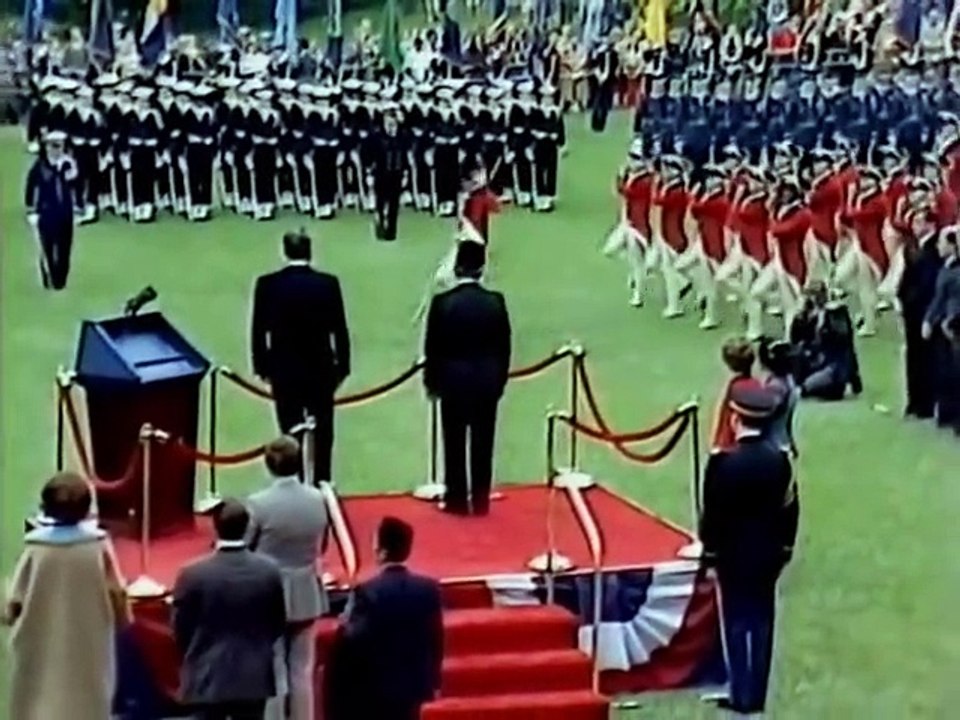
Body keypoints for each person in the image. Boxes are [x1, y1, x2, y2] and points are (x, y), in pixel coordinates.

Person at [700, 385, 799, 718]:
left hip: (732, 554)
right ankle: (756, 692)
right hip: (768, 553)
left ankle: (740, 691)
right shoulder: (779, 462)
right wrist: (785, 548)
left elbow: (711, 515)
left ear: (734, 417)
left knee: (736, 622)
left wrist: (709, 554)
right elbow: (790, 509)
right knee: (762, 621)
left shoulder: (722, 464)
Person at [3, 472, 129, 720]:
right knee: (87, 701)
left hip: (39, 645)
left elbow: (13, 604)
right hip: (89, 643)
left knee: (39, 701)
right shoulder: (98, 547)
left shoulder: (36, 549)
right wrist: (123, 621)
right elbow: (118, 594)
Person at [172, 500, 287, 720]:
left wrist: (197, 652)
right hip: (252, 677)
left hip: (207, 675)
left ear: (215, 526)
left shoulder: (192, 574)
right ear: (247, 527)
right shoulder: (269, 570)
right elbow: (277, 623)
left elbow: (180, 628)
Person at [251, 231, 351, 484]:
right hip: (321, 370)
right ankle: (322, 483)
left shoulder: (268, 284)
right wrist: (343, 368)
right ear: (310, 251)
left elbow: (258, 329)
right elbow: (339, 329)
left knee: (289, 430)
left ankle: (292, 482)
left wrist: (262, 366)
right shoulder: (327, 283)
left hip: (284, 371)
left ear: (285, 251)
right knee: (324, 433)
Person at [424, 240, 512, 515]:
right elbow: (504, 346)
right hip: (486, 381)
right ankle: (481, 498)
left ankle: (457, 499)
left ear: (457, 267)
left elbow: (432, 348)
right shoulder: (495, 302)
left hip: (453, 382)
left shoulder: (443, 303)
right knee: (483, 442)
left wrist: (432, 382)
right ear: (481, 268)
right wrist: (499, 381)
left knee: (454, 442)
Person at [246, 437, 330, 720]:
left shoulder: (259, 504)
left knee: (274, 669)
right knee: (301, 670)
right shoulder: (318, 499)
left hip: (270, 593)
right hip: (306, 590)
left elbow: (246, 546)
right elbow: (323, 542)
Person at [328, 517, 443, 720]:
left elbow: (354, 638)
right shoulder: (428, 589)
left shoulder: (368, 591)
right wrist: (433, 679)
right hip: (413, 683)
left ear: (382, 552)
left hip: (377, 686)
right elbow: (436, 639)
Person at [897, 210, 943, 419]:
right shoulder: (912, 247)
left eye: (918, 221)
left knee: (926, 358)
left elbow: (928, 282)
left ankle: (926, 403)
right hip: (911, 310)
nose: (914, 226)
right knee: (913, 356)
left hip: (923, 308)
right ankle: (914, 401)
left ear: (930, 225)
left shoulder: (934, 249)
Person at [790, 282, 863, 400]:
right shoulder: (804, 316)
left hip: (831, 365)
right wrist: (801, 318)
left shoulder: (836, 314)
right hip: (811, 362)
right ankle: (802, 385)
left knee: (829, 375)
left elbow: (844, 343)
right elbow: (795, 340)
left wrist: (854, 381)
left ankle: (804, 388)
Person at [24, 129, 77, 290]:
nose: (57, 151)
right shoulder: (40, 167)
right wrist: (31, 210)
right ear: (47, 147)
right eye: (53, 147)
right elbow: (31, 188)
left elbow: (76, 183)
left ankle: (60, 280)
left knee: (64, 248)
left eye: (60, 147)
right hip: (46, 212)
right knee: (47, 247)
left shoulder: (68, 164)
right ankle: (50, 277)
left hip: (65, 212)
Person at [922, 226, 960, 433]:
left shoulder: (954, 272)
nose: (939, 247)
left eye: (942, 243)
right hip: (947, 324)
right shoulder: (945, 269)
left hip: (953, 324)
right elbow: (938, 299)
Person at [711, 337, 763, 452]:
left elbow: (721, 418)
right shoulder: (758, 385)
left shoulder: (732, 388)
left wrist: (715, 444)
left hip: (733, 447)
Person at [759, 337, 800, 458]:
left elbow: (764, 417)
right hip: (783, 445)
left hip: (772, 449)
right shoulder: (789, 381)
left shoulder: (775, 388)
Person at [370, 112, 406, 241]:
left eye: (392, 122)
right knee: (381, 202)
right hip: (381, 174)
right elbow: (370, 156)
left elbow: (404, 157)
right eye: (387, 122)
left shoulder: (402, 137)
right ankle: (380, 228)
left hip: (396, 174)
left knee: (394, 204)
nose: (390, 125)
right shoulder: (377, 137)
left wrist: (405, 174)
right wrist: (369, 173)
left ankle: (391, 232)